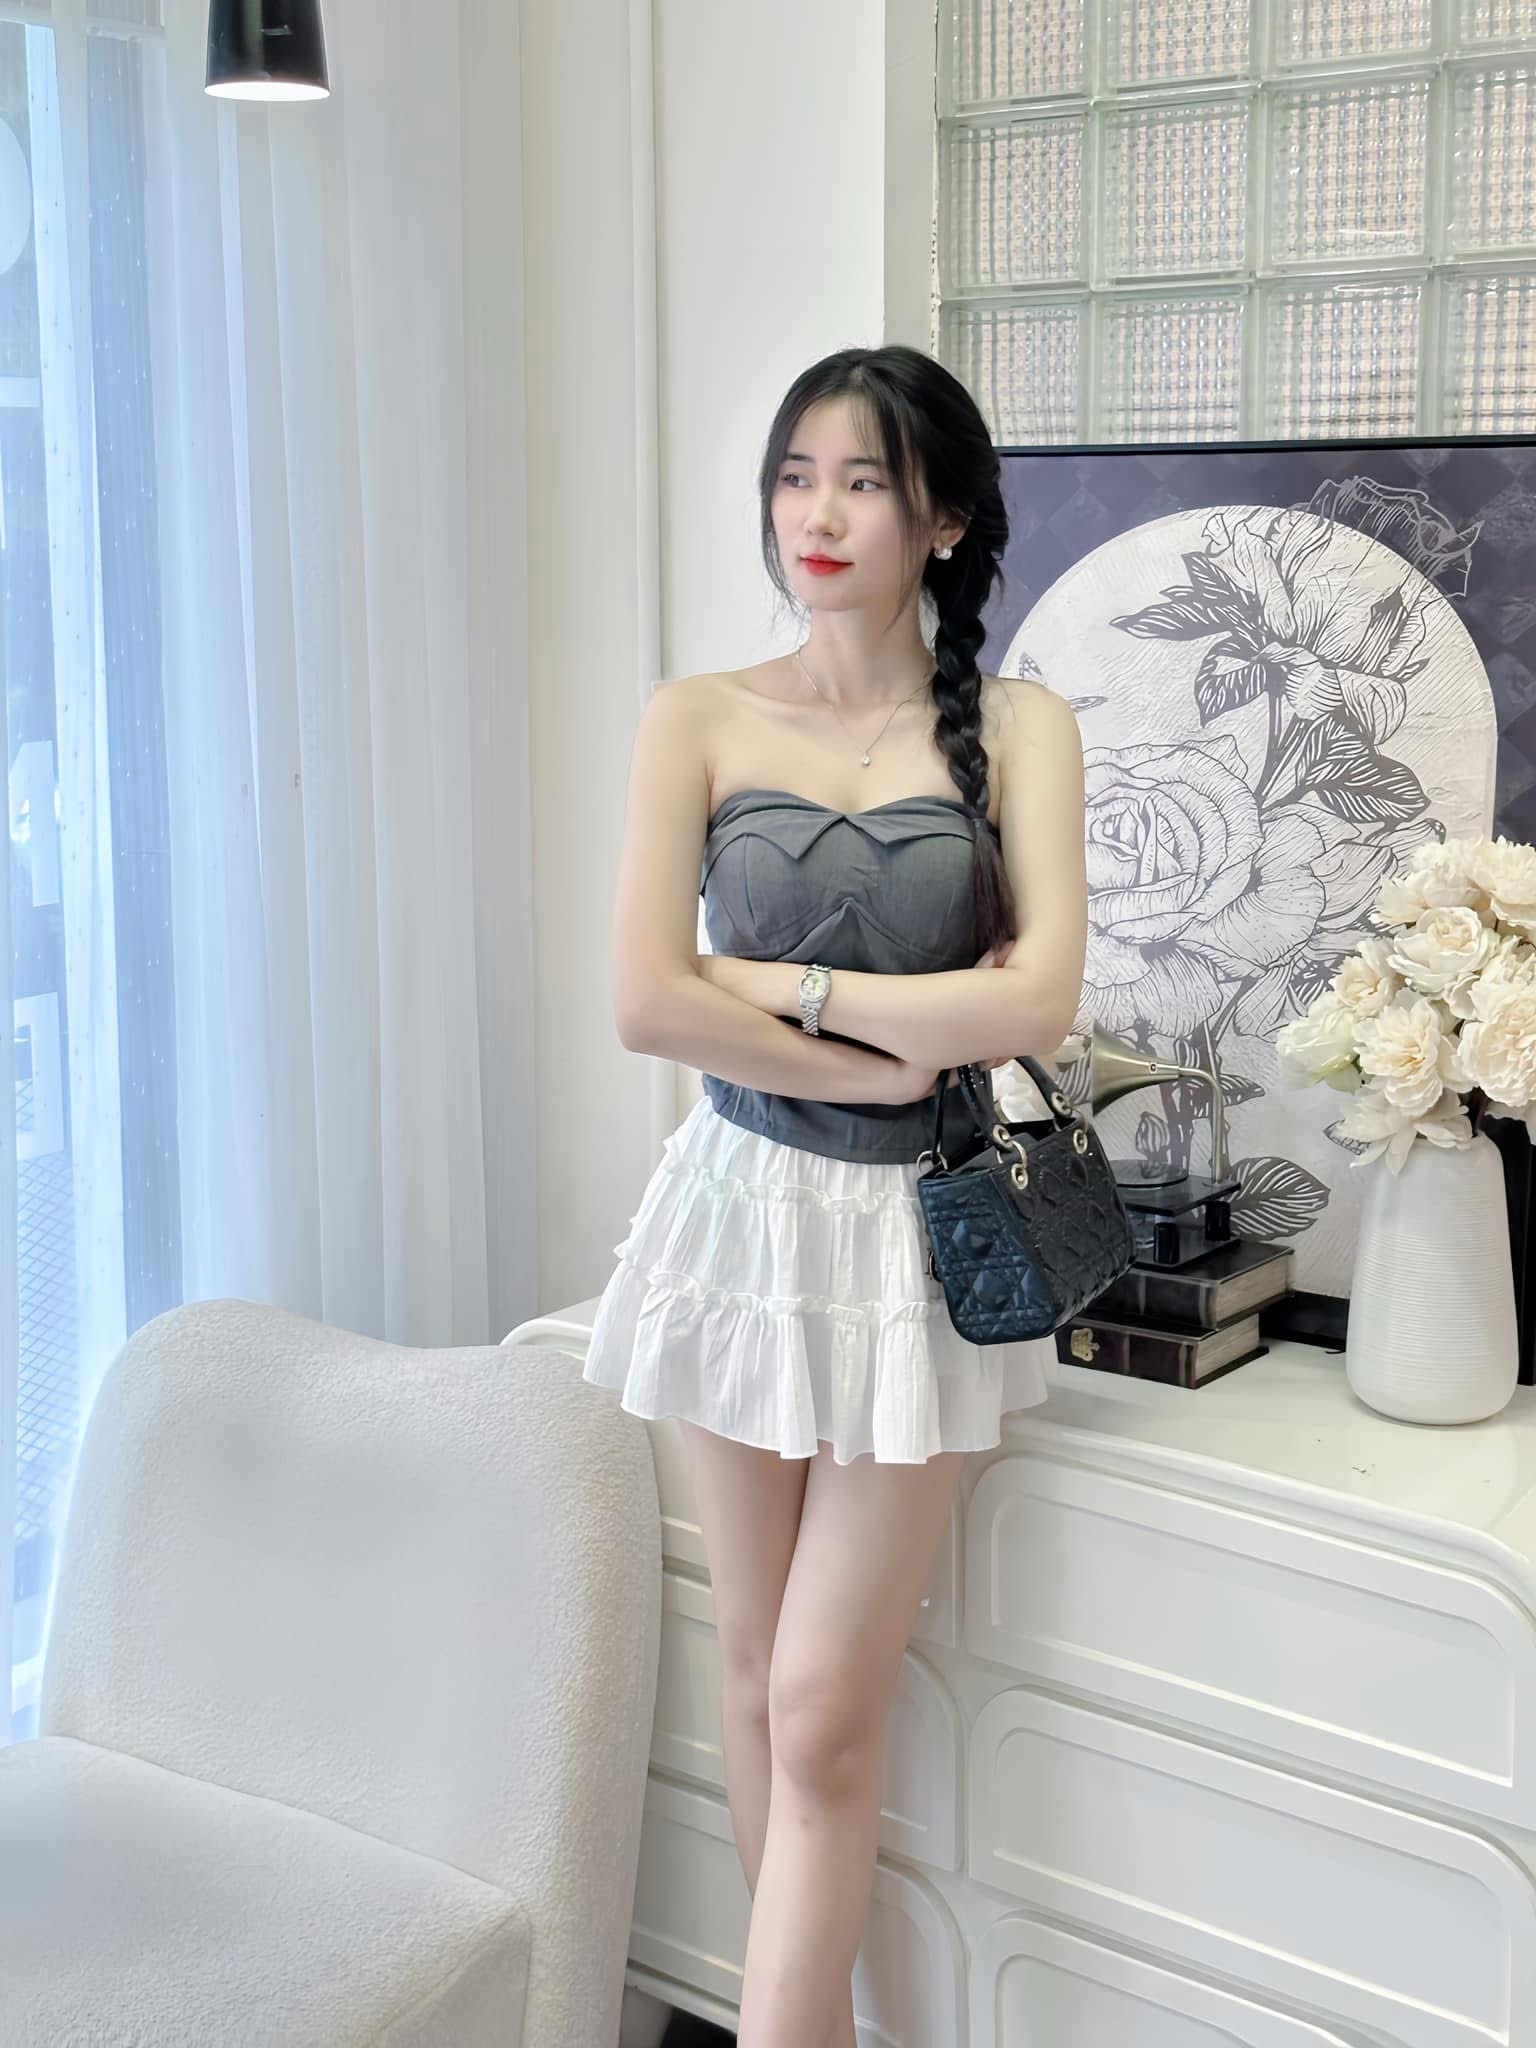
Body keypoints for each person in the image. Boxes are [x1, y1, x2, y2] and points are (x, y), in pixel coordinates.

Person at [582, 344, 1088, 2048]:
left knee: (818, 1702)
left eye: (864, 481)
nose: (819, 513)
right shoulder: (698, 715)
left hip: (918, 1239)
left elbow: (1036, 1005)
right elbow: (646, 1004)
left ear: (941, 518)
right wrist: (877, 1046)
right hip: (738, 1214)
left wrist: (779, 990)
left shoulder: (1020, 729)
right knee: (752, 1677)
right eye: (797, 476)